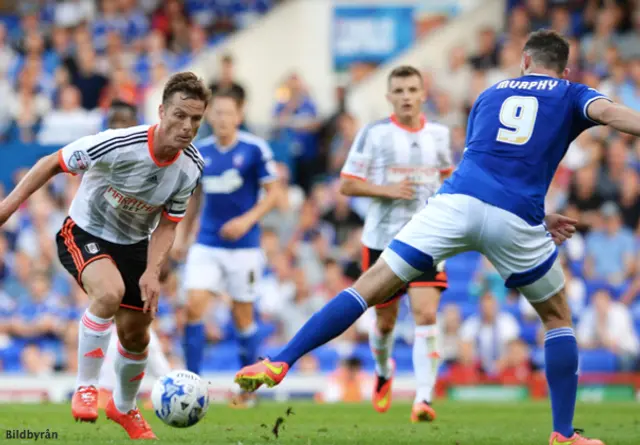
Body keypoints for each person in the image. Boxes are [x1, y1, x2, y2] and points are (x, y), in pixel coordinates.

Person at [235, 29, 640, 445]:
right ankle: (563, 434)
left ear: (523, 62)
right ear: (564, 68)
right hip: (515, 218)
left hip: (456, 202)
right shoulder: (572, 92)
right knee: (557, 318)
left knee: (367, 288)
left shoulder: (489, 94)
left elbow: (488, 159)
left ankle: (280, 360)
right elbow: (611, 116)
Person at [0, 72, 210, 439]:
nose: (187, 126)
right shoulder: (116, 144)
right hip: (83, 232)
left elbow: (169, 225)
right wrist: (6, 208)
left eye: (195, 119)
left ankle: (124, 407)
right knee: (109, 294)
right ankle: (86, 387)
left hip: (134, 245)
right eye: (180, 115)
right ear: (161, 111)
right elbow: (50, 162)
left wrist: (152, 271)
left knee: (137, 335)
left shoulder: (190, 166)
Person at [339, 65, 452, 422]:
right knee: (385, 323)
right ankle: (384, 369)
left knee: (426, 314)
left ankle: (423, 398)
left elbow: (449, 179)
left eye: (412, 89)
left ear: (423, 94)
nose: (406, 96)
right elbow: (347, 184)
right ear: (389, 96)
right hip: (382, 242)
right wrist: (386, 190)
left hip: (428, 240)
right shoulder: (374, 134)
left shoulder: (439, 135)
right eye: (399, 90)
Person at [174, 89, 280, 407]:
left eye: (227, 113)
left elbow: (274, 193)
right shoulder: (199, 151)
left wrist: (247, 222)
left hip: (244, 247)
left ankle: (248, 388)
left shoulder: (253, 149)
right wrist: (183, 236)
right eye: (216, 113)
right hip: (206, 243)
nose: (222, 119)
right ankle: (191, 386)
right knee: (193, 307)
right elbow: (194, 198)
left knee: (243, 318)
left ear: (239, 115)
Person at [97, 99, 172, 408]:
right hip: (104, 246)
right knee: (122, 320)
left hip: (141, 249)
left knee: (135, 323)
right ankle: (165, 383)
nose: (119, 131)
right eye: (114, 125)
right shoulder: (100, 160)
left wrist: (157, 260)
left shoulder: (152, 165)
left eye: (124, 125)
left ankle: (113, 391)